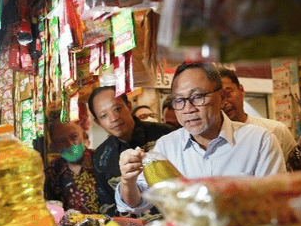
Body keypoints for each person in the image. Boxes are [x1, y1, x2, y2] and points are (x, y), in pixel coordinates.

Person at [116, 62, 286, 215]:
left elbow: (275, 205)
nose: (188, 109)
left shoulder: (259, 141)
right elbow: (136, 202)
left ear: (221, 97)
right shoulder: (166, 147)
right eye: (179, 100)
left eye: (198, 97)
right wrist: (127, 180)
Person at [88, 86, 176, 218]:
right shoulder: (101, 156)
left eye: (117, 109)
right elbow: (106, 204)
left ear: (128, 106)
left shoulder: (166, 136)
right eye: (104, 115)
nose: (114, 118)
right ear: (98, 122)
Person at [219, 68, 297, 157]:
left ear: (241, 90)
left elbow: (297, 167)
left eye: (228, 93)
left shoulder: (276, 130)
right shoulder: (213, 141)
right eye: (219, 97)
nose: (224, 102)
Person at [44, 121, 99, 214]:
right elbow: (51, 206)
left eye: (74, 137)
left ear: (84, 136)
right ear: (53, 146)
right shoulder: (51, 170)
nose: (70, 143)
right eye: (62, 141)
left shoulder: (101, 158)